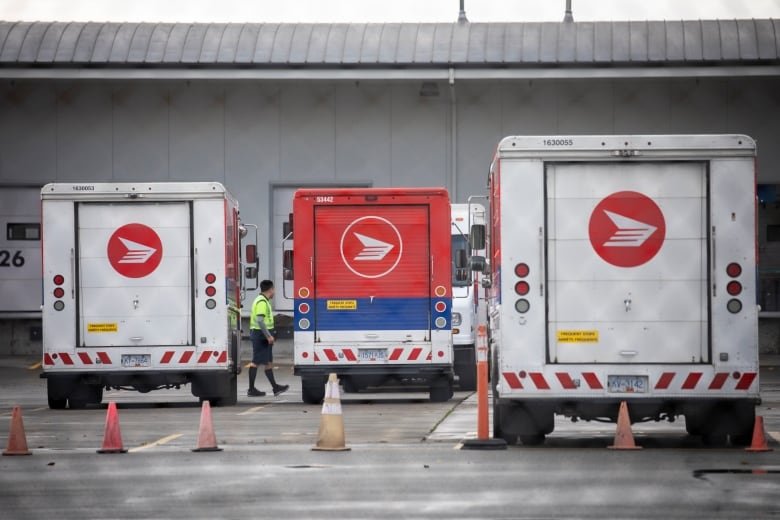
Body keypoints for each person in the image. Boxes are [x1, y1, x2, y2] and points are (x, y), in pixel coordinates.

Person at [247, 280, 289, 397]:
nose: (274, 292)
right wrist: (268, 336)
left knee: (269, 362)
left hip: (262, 335)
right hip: (260, 335)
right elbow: (260, 321)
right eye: (274, 289)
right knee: (256, 362)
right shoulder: (261, 302)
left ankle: (275, 388)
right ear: (270, 289)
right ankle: (251, 390)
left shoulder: (263, 301)